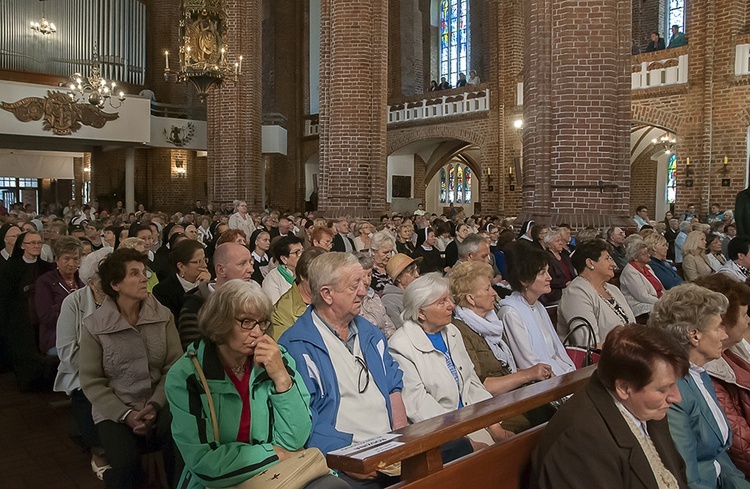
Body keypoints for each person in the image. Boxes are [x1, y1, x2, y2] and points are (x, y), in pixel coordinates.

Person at [165, 280, 346, 489]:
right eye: (246, 322)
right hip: (220, 481)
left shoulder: (276, 358)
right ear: (220, 321)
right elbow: (204, 462)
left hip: (279, 473)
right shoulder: (188, 375)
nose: (258, 333)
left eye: (262, 323)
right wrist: (272, 453)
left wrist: (281, 377)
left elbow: (294, 439)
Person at [278, 252, 408, 485]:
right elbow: (305, 418)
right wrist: (347, 459)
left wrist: (400, 437)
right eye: (354, 286)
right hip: (346, 458)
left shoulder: (370, 333)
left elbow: (393, 384)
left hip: (390, 450)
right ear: (327, 294)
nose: (362, 291)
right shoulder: (296, 346)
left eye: (362, 283)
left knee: (458, 450)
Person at [532, 324, 690, 489]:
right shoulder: (580, 441)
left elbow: (678, 476)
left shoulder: (646, 408)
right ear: (623, 388)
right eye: (663, 389)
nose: (676, 397)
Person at [80, 248, 182, 489]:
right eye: (134, 274)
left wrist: (155, 403)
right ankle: (111, 476)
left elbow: (174, 366)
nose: (144, 278)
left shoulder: (162, 316)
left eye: (143, 272)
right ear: (115, 284)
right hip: (115, 409)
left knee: (183, 448)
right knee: (127, 466)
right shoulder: (95, 326)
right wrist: (126, 415)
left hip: (161, 401)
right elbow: (91, 380)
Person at [388, 273, 513, 450]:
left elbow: (472, 383)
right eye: (442, 302)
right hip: (442, 433)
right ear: (421, 312)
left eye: (449, 299)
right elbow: (420, 406)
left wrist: (494, 426)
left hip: (473, 418)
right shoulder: (400, 346)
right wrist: (466, 442)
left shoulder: (452, 332)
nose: (451, 306)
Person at [648, 283, 750, 489]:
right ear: (694, 335)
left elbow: (720, 455)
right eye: (718, 327)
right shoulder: (673, 390)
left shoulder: (699, 374)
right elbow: (686, 477)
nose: (724, 334)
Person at [450, 261, 556, 430]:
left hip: (512, 397)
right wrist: (527, 375)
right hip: (490, 408)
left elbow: (505, 369)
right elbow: (479, 385)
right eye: (487, 289)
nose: (494, 293)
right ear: (470, 298)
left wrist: (536, 373)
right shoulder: (459, 331)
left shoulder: (492, 323)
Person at [54, 247, 112, 480]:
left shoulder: (121, 299)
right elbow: (67, 350)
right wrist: (98, 368)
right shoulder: (73, 303)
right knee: (88, 391)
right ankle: (98, 450)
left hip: (119, 368)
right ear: (92, 282)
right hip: (83, 369)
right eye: (107, 278)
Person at [694, 274, 750, 478]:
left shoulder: (730, 353)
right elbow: (741, 446)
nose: (748, 320)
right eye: (744, 315)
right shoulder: (709, 370)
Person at [498, 243, 576, 376]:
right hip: (540, 382)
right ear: (524, 280)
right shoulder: (511, 313)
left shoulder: (538, 305)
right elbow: (528, 363)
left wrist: (569, 373)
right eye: (542, 273)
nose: (549, 277)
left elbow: (555, 353)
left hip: (557, 373)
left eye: (547, 271)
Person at [0, 231, 56, 390]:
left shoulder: (46, 267)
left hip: (42, 314)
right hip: (20, 317)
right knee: (25, 349)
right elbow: (5, 295)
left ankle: (47, 382)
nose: (36, 246)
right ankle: (28, 381)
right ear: (22, 245)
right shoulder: (11, 268)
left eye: (39, 243)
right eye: (32, 243)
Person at [178, 242, 255, 349]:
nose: (251, 270)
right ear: (221, 270)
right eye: (242, 264)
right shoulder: (194, 308)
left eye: (251, 263)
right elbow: (194, 354)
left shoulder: (254, 299)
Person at [558, 240, 635, 346]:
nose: (613, 264)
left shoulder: (613, 290)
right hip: (603, 359)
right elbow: (589, 344)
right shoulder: (576, 293)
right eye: (608, 259)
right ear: (590, 263)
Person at [35, 237, 84, 356]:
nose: (71, 264)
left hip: (82, 334)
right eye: (66, 259)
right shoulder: (45, 282)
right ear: (57, 259)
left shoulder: (83, 280)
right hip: (55, 336)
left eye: (76, 259)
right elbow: (46, 317)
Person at [272, 247, 327, 340]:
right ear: (302, 275)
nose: (325, 283)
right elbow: (282, 349)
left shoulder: (331, 297)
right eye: (318, 278)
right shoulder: (282, 312)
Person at [152, 239, 211, 323]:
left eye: (205, 260)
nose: (204, 265)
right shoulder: (162, 291)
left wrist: (205, 288)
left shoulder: (210, 285)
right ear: (181, 266)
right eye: (198, 262)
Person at [619, 238, 664, 323]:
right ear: (635, 258)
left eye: (647, 252)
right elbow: (643, 296)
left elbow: (660, 287)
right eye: (644, 254)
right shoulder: (630, 272)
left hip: (656, 301)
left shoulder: (647, 267)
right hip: (641, 306)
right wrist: (663, 302)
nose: (649, 255)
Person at [381, 253, 421, 330]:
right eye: (412, 272)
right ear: (399, 278)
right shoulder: (389, 300)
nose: (417, 275)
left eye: (417, 270)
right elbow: (399, 328)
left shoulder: (418, 294)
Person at [262, 235, 304, 304]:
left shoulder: (306, 274)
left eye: (302, 250)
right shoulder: (272, 279)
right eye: (297, 252)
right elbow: (276, 309)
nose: (302, 255)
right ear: (284, 259)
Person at [540, 228, 575, 305]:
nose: (561, 243)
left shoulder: (565, 256)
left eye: (561, 240)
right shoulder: (545, 258)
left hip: (571, 289)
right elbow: (547, 278)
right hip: (555, 293)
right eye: (557, 241)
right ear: (549, 245)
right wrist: (564, 284)